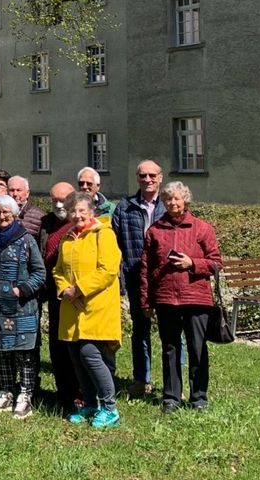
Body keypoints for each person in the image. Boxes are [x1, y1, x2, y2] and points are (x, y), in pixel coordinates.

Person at [141, 181, 222, 413]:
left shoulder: (201, 228)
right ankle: (171, 398)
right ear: (163, 202)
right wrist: (146, 300)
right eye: (168, 199)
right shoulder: (155, 231)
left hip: (196, 298)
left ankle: (198, 398)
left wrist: (192, 263)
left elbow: (216, 263)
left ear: (185, 200)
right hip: (166, 299)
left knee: (197, 349)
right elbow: (146, 269)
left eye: (177, 198)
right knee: (170, 349)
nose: (173, 203)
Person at [54, 191, 123, 429]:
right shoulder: (67, 238)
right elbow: (58, 270)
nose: (77, 215)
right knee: (76, 357)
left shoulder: (104, 234)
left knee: (90, 355)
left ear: (92, 212)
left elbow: (108, 270)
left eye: (82, 211)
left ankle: (110, 408)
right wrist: (64, 289)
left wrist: (79, 289)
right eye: (73, 211)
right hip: (72, 308)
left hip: (96, 306)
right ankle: (90, 404)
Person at [0, 195, 45, 420]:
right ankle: (6, 392)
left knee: (24, 353)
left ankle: (25, 395)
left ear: (15, 214)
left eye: (6, 212)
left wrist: (22, 290)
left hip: (21, 308)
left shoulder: (26, 239)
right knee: (1, 351)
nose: (2, 216)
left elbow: (40, 272)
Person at [112, 159, 165, 397]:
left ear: (160, 178)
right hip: (135, 276)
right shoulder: (125, 207)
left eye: (152, 175)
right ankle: (141, 380)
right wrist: (121, 278)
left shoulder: (170, 205)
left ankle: (175, 382)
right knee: (140, 330)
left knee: (171, 332)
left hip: (164, 278)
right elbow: (116, 246)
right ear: (137, 179)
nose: (148, 180)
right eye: (143, 175)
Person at [39, 181, 81, 410]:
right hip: (53, 292)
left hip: (75, 294)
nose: (58, 203)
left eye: (63, 199)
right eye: (54, 199)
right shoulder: (46, 223)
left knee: (75, 345)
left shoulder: (79, 224)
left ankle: (80, 393)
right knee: (56, 346)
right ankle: (64, 393)